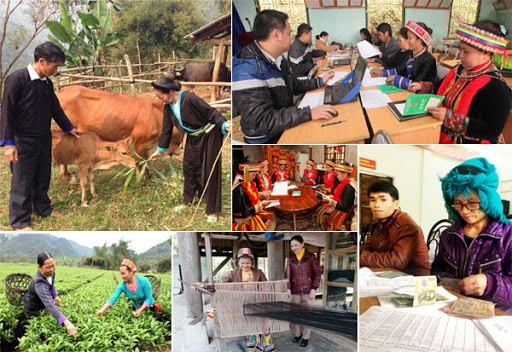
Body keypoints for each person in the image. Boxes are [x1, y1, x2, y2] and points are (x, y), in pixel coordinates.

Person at [0, 42, 80, 230]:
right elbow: (7, 112)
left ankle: (43, 208)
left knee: (43, 176)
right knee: (23, 179)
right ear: (42, 61)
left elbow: (55, 108)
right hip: (23, 139)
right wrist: (9, 144)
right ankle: (20, 221)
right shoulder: (17, 79)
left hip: (44, 137)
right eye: (55, 65)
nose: (56, 69)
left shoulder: (46, 82)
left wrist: (68, 127)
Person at [232, 10, 337, 144]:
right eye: (289, 33)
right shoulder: (246, 71)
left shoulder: (277, 59)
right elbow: (261, 122)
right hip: (270, 139)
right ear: (277, 35)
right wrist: (308, 113)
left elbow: (293, 85)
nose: (291, 38)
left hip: (283, 124)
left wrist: (320, 81)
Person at [432, 158, 512, 313]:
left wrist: (490, 284)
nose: (465, 211)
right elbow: (437, 268)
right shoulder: (449, 235)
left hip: (496, 315)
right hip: (453, 308)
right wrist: (444, 280)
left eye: (472, 203)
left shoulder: (508, 235)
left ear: (487, 199)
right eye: (458, 203)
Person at [149, 77, 230, 223]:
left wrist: (224, 124)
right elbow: (166, 129)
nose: (160, 100)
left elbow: (210, 112)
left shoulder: (189, 98)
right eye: (158, 97)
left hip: (209, 134)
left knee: (209, 170)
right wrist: (160, 150)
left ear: (171, 91)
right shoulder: (168, 107)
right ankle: (188, 201)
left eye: (161, 97)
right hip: (193, 137)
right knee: (189, 167)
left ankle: (212, 211)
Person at [428, 21, 512, 144]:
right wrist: (422, 86)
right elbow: (439, 87)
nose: (460, 55)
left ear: (485, 52)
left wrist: (448, 118)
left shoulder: (498, 88)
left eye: (466, 52)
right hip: (440, 133)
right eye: (460, 50)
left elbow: (491, 130)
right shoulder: (460, 70)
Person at [192, 248, 275, 351]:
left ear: (252, 262)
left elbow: (267, 286)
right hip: (242, 304)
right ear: (238, 262)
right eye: (242, 263)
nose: (245, 265)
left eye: (248, 263)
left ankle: (267, 346)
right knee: (249, 325)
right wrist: (205, 286)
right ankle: (254, 347)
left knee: (263, 324)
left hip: (258, 302)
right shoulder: (232, 274)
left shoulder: (258, 272)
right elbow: (220, 286)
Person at [360, 180, 430, 276]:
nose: (377, 204)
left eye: (383, 200)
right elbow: (368, 247)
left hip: (413, 279)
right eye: (372, 200)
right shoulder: (378, 223)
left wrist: (361, 257)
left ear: (396, 204)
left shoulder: (407, 226)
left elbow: (397, 261)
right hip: (388, 274)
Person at [370, 21, 437, 93]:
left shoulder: (429, 60)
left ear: (420, 40)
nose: (407, 41)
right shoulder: (410, 53)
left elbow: (416, 83)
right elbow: (400, 69)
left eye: (410, 38)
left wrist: (396, 79)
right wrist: (382, 73)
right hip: (407, 92)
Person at [24, 252, 77, 336]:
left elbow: (51, 285)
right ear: (39, 267)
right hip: (33, 307)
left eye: (53, 266)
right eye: (48, 267)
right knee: (35, 330)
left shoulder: (51, 273)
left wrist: (55, 295)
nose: (52, 269)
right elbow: (49, 304)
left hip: (42, 303)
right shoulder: (39, 282)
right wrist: (66, 322)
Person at [285, 235, 322, 348]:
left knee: (307, 316)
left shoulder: (311, 257)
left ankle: (306, 337)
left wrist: (313, 289)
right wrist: (287, 288)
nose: (294, 247)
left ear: (302, 244)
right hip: (294, 291)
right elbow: (287, 275)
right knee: (295, 315)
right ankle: (297, 334)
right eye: (292, 246)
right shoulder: (290, 259)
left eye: (296, 245)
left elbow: (317, 273)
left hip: (308, 291)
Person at [232, 163, 274, 231]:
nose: (254, 177)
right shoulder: (239, 189)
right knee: (271, 220)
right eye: (253, 175)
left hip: (251, 213)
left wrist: (260, 195)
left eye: (255, 175)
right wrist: (261, 204)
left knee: (272, 214)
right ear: (246, 173)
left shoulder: (247, 183)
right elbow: (245, 212)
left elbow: (251, 197)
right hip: (245, 220)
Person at [315, 162, 356, 230]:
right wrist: (331, 198)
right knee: (319, 209)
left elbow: (345, 207)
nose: (337, 176)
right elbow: (339, 195)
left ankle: (324, 227)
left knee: (321, 211)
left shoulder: (349, 187)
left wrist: (330, 201)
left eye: (338, 174)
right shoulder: (343, 182)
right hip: (339, 204)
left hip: (343, 211)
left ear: (345, 174)